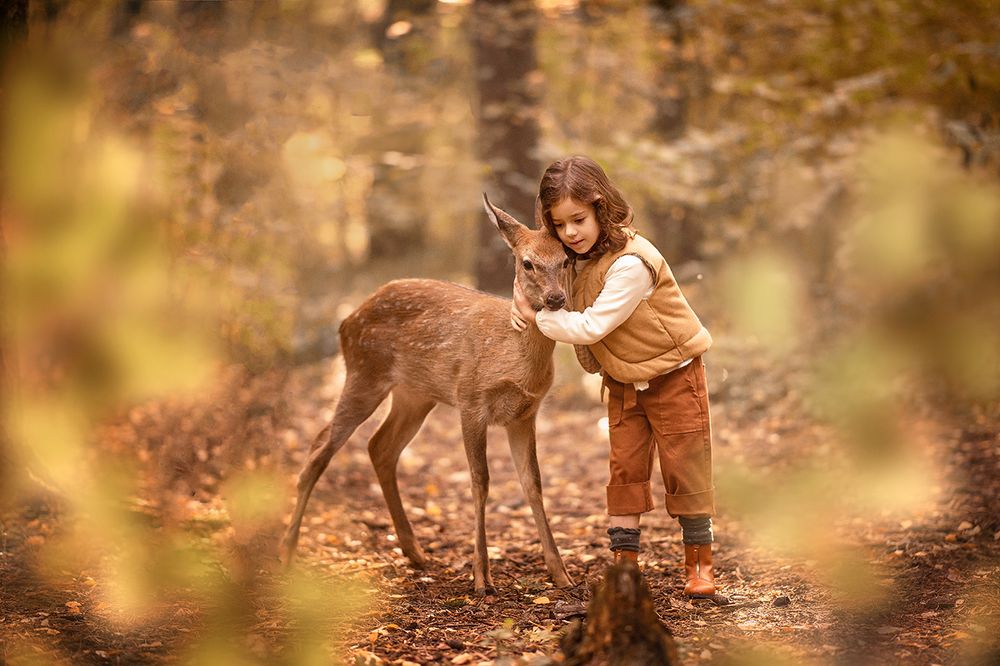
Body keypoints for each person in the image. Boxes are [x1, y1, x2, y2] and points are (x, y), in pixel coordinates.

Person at [510, 155, 719, 599]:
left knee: (686, 466)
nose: (570, 233)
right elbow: (533, 267)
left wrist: (535, 317)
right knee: (624, 471)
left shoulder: (633, 264)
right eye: (559, 224)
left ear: (601, 208)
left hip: (673, 377)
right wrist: (521, 295)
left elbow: (591, 326)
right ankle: (625, 567)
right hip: (623, 382)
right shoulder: (573, 256)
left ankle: (699, 562)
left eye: (579, 220)